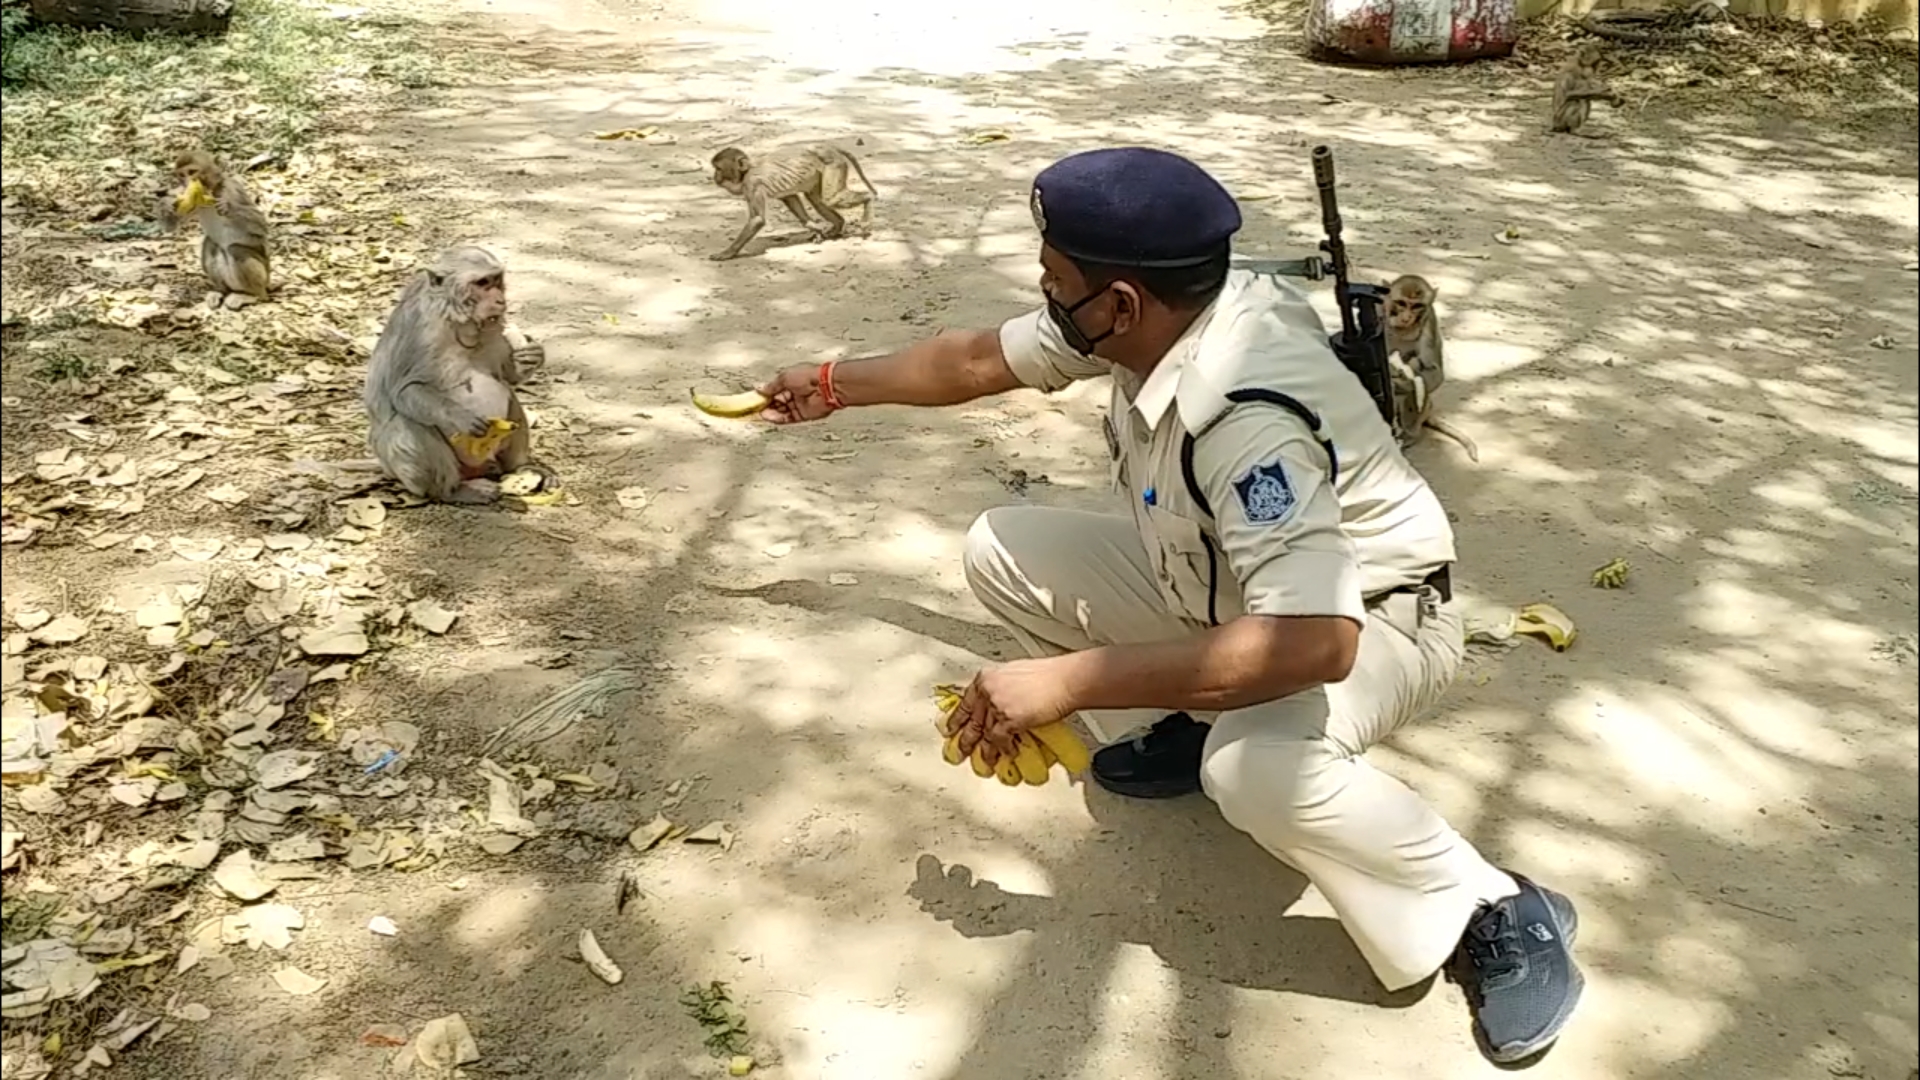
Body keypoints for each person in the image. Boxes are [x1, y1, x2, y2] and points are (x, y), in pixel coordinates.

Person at [752, 146, 1584, 1063]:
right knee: (1002, 549)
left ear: (1121, 304)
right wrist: (832, 385)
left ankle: (1494, 907)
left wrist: (1071, 682)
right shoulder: (1152, 314)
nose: (1044, 293)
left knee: (1254, 772)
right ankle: (1199, 713)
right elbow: (982, 360)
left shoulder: (1246, 418)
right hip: (1232, 594)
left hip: (1381, 617)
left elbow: (1316, 643)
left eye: (1054, 279)